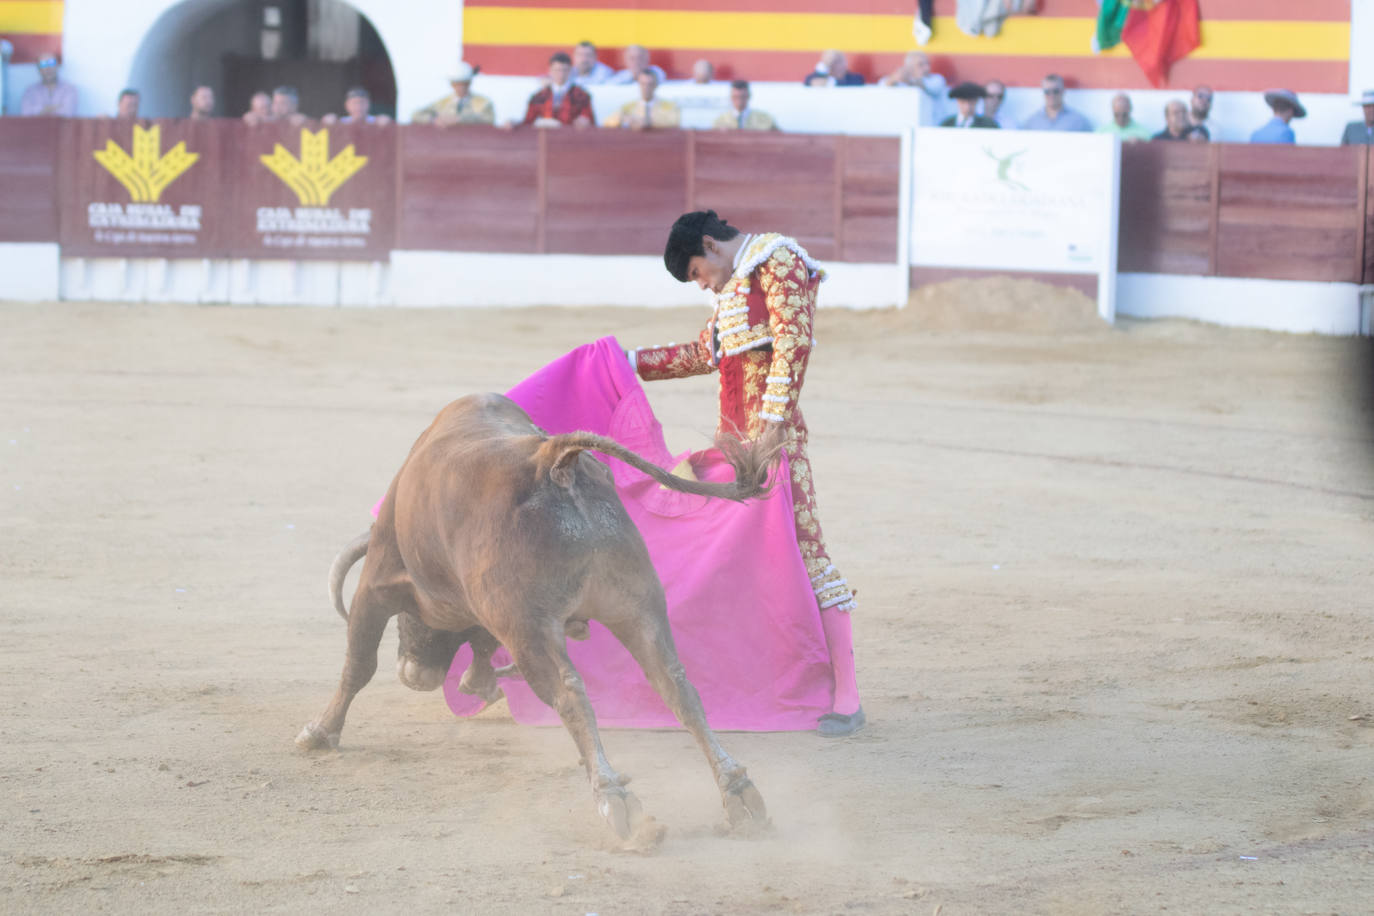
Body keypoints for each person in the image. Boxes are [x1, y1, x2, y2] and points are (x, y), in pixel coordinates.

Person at [626, 210, 864, 738]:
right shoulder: (734, 289)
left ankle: (846, 695)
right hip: (732, 449)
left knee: (806, 554)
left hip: (774, 448)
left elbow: (793, 342)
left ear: (710, 245)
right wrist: (624, 362)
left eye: (696, 273)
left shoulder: (776, 260)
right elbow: (699, 354)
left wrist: (772, 428)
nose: (702, 284)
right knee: (726, 561)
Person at [519, 51, 595, 128]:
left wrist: (585, 121)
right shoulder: (539, 96)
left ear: (570, 71)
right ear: (550, 71)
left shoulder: (581, 96)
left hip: (571, 137)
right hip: (546, 137)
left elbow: (589, 121)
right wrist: (514, 123)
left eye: (564, 70)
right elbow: (527, 123)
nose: (560, 74)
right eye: (557, 70)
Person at [411, 62, 495, 126]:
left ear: (469, 83)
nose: (460, 87)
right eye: (457, 84)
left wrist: (460, 119)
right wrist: (434, 119)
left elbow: (488, 119)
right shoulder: (443, 103)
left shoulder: (483, 102)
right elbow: (416, 115)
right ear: (452, 84)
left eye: (464, 83)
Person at [605, 70, 680, 130]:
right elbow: (607, 123)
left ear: (656, 85)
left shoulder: (669, 106)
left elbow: (674, 121)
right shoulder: (628, 106)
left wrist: (650, 122)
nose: (646, 88)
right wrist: (625, 120)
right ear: (639, 85)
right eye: (643, 84)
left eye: (650, 84)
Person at [1020, 73, 1090, 131]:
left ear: (1063, 91)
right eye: (1047, 92)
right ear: (1043, 93)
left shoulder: (1078, 122)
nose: (1051, 95)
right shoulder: (1032, 122)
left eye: (1055, 91)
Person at [712, 80, 778, 131]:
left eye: (742, 97)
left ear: (749, 96)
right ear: (731, 97)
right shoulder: (720, 121)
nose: (739, 101)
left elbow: (779, 138)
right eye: (736, 97)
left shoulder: (765, 119)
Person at [323, 87, 392, 125]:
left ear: (368, 104)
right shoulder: (341, 123)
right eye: (354, 103)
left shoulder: (376, 122)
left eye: (362, 103)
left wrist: (387, 122)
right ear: (347, 105)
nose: (358, 106)